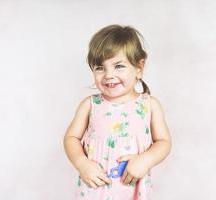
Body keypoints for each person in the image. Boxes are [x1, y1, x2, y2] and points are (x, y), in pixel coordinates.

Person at [63, 24, 172, 200]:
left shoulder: (149, 105)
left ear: (139, 67)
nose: (108, 75)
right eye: (100, 67)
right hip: (94, 189)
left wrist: (146, 160)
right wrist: (81, 163)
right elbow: (71, 138)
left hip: (134, 189)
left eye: (118, 66)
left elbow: (164, 142)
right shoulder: (90, 105)